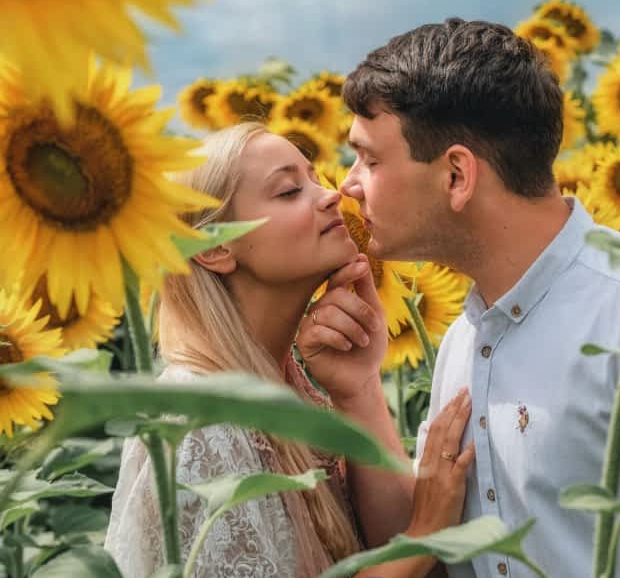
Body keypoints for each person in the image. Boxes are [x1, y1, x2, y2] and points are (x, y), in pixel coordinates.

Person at [296, 18, 620, 577]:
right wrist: (361, 391)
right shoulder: (466, 339)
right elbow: (430, 557)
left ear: (457, 175)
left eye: (370, 159)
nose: (348, 184)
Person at [104, 122, 476, 578]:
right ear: (213, 249)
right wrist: (427, 530)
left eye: (316, 179)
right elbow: (410, 549)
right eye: (288, 191)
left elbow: (393, 553)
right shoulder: (201, 419)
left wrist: (358, 390)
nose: (331, 195)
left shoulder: (287, 393)